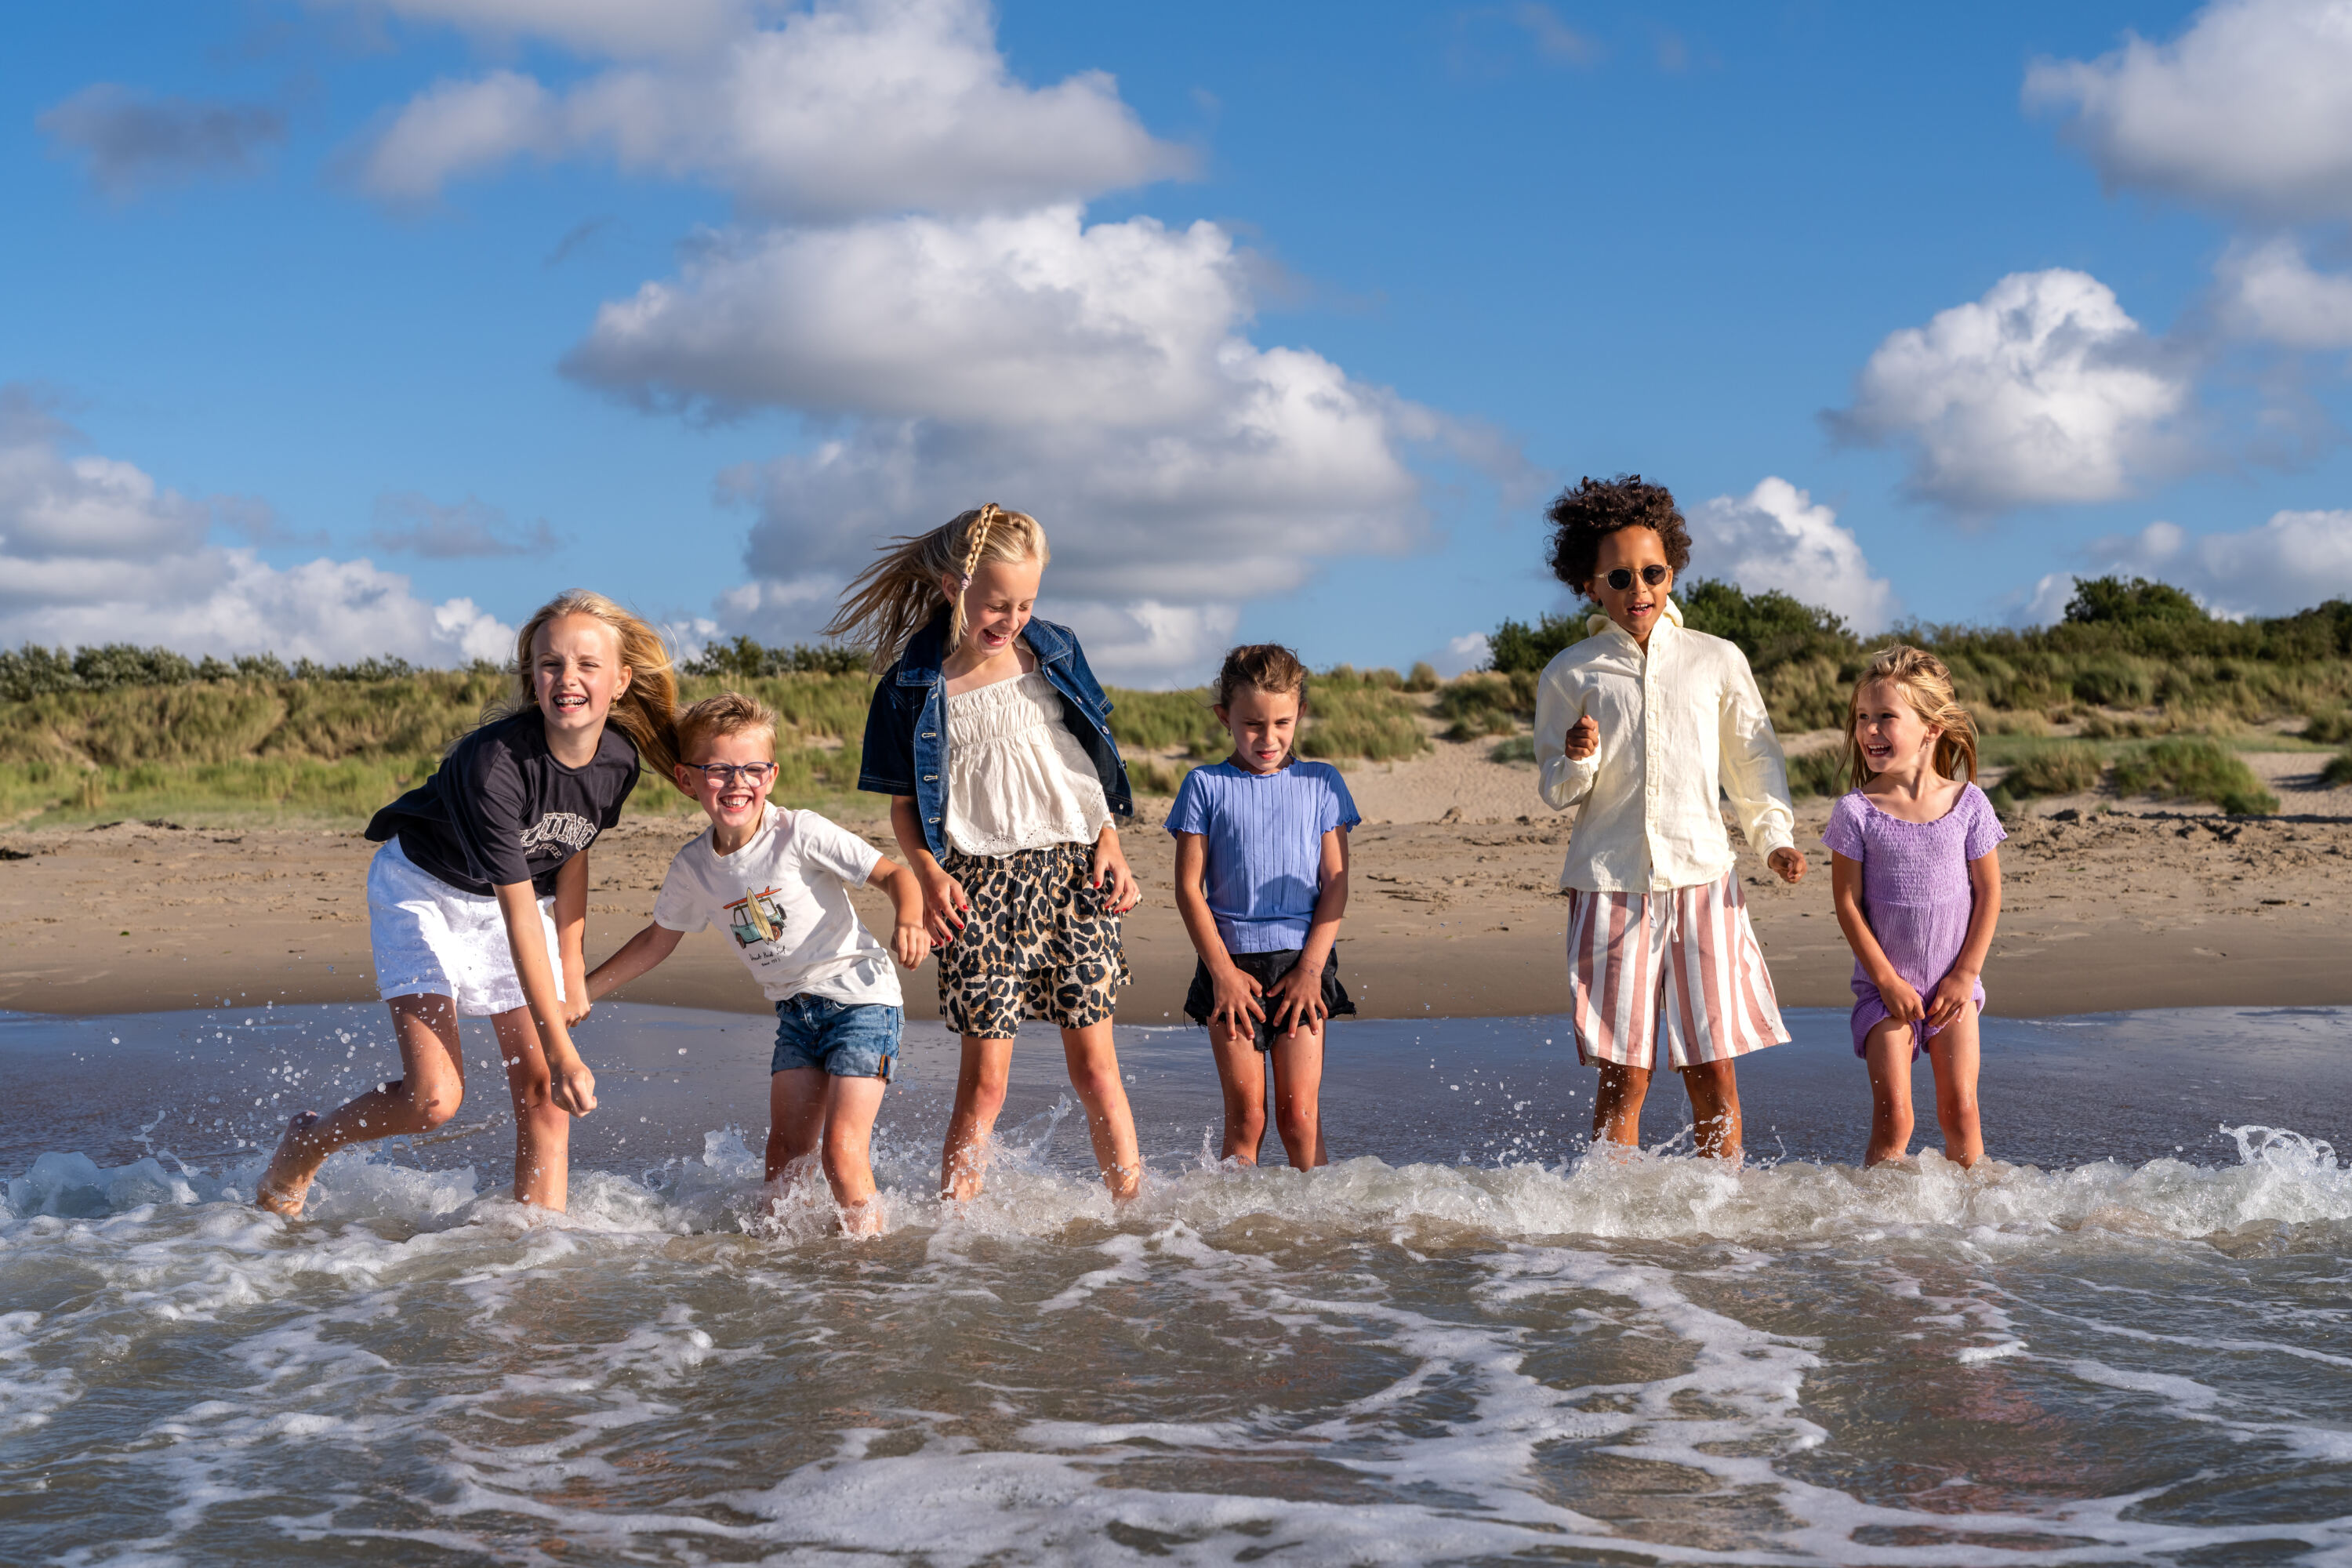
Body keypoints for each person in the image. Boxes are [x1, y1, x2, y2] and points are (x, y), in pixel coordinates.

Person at [257, 590, 679, 1216]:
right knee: (432, 1100)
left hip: (514, 900)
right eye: (551, 664)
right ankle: (308, 1142)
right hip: (424, 889)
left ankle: (537, 1259)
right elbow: (514, 917)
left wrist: (572, 964)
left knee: (545, 1096)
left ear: (620, 681)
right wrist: (564, 1049)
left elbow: (574, 849)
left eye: (588, 665)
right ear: (531, 678)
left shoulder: (618, 762)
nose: (568, 679)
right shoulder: (494, 765)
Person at [833, 503, 1145, 1203]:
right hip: (975, 887)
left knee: (1097, 1070)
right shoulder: (912, 688)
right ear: (953, 589)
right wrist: (931, 874)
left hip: (1074, 874)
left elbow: (1091, 764)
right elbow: (904, 809)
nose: (1011, 620)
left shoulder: (1056, 651)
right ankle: (955, 1232)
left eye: (1026, 603)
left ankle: (1136, 1223)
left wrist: (1112, 842)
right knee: (986, 1082)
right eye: (996, 604)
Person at [1532, 476, 1806, 1161]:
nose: (1638, 589)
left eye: (1651, 573)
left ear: (1671, 571)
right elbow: (1558, 791)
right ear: (1591, 586)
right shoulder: (1570, 671)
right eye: (1619, 577)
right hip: (1609, 886)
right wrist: (1578, 758)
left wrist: (1774, 839)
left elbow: (1753, 761)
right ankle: (1612, 1232)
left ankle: (1718, 1227)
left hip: (1704, 881)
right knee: (1625, 1077)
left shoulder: (1717, 658)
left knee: (1713, 1071)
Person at [583, 693, 931, 1232]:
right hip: (796, 1014)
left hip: (862, 999)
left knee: (840, 1153)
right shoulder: (695, 866)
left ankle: (867, 1273)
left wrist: (909, 918)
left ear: (770, 776)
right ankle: (776, 1268)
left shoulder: (800, 832)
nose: (736, 782)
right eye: (718, 770)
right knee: (785, 1156)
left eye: (751, 769)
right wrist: (580, 993)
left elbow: (894, 874)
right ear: (686, 779)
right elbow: (657, 940)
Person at [1168, 644, 1359, 1169]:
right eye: (1252, 724)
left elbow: (1337, 884)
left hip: (1304, 967)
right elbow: (1188, 889)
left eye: (1282, 723)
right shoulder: (1204, 786)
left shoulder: (1322, 784)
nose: (1268, 738)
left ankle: (1318, 1241)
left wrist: (1312, 972)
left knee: (1299, 1118)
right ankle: (1236, 1245)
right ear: (1224, 717)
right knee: (1247, 1117)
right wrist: (1223, 974)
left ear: (1300, 716)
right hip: (1230, 969)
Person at [1824, 646, 2005, 1168]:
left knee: (1962, 1113)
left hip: (1955, 987)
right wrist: (1886, 981)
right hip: (1886, 991)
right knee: (1895, 1117)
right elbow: (1846, 903)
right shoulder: (1856, 812)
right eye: (1862, 718)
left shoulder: (1969, 803)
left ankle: (1974, 1230)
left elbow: (1989, 893)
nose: (1870, 730)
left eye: (1885, 717)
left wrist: (1964, 975)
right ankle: (1878, 1231)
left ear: (1931, 727)